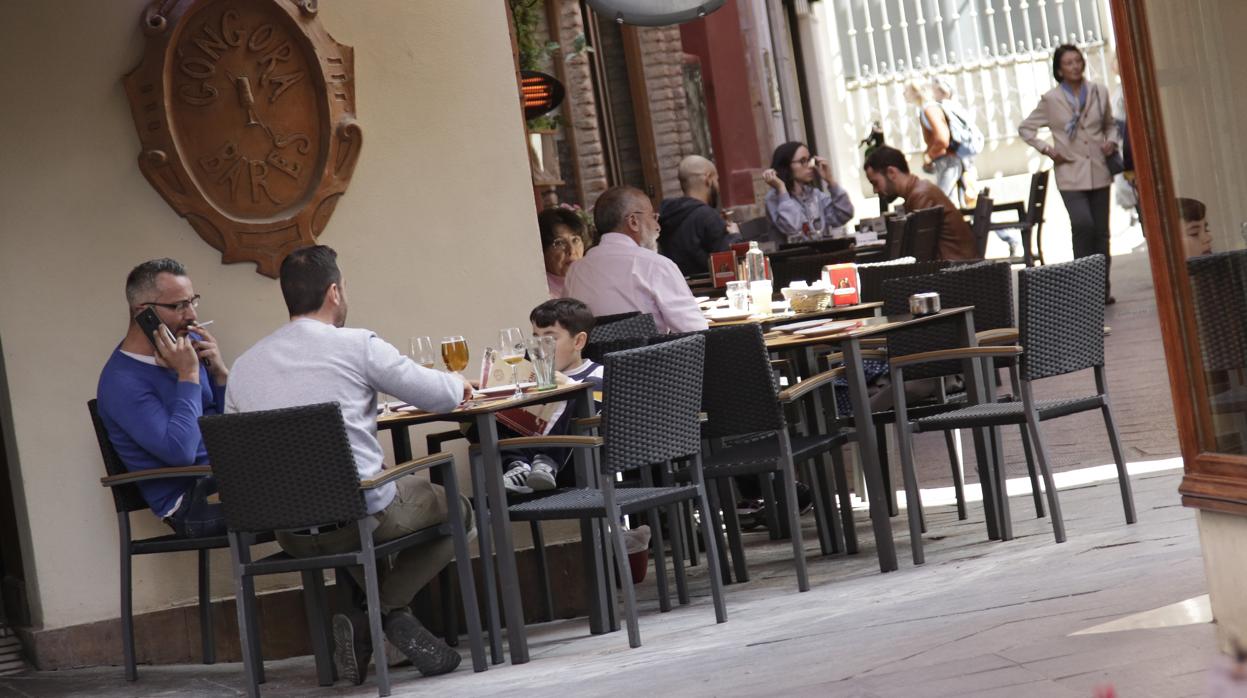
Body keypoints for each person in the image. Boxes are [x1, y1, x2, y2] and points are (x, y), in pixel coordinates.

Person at [224, 245, 473, 684]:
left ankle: (370, 623)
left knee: (359, 518)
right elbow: (437, 396)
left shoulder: (244, 367)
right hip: (358, 517)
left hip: (289, 529)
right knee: (459, 506)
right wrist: (458, 381)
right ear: (334, 291)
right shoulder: (357, 345)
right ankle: (380, 614)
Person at [96, 258, 230, 539]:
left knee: (327, 478)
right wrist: (189, 375)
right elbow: (179, 452)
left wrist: (218, 373)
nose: (191, 314)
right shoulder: (122, 381)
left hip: (229, 476)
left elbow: (231, 425)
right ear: (144, 313)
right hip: (191, 503)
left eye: (193, 301)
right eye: (179, 306)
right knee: (309, 498)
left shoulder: (183, 352)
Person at [1019, 43, 1120, 303]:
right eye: (1068, 63)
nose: (1075, 66)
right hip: (1070, 172)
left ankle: (1102, 289)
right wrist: (1049, 150)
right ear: (1059, 69)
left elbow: (1110, 125)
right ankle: (1084, 288)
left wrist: (1111, 141)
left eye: (1078, 61)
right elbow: (1026, 129)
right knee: (1083, 225)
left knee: (1101, 232)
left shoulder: (1098, 91)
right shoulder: (1051, 100)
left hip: (1098, 169)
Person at [487, 298, 605, 493]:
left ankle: (546, 462)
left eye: (550, 338)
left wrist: (567, 384)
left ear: (578, 341)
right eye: (536, 337)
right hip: (528, 459)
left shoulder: (597, 374)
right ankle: (518, 467)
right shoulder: (530, 378)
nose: (540, 346)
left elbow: (596, 402)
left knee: (581, 393)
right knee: (476, 414)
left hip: (579, 460)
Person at [564, 185, 709, 333]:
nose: (658, 226)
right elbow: (696, 331)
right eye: (653, 217)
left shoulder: (575, 271)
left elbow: (568, 329)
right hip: (654, 355)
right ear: (633, 222)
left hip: (595, 356)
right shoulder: (655, 265)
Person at [862, 146, 978, 261]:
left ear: (891, 172)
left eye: (875, 183)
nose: (875, 190)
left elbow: (920, 252)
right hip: (956, 267)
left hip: (956, 270)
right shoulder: (918, 192)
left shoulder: (921, 195)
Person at [658, 155, 740, 276]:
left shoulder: (666, 215)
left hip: (678, 288)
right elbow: (725, 266)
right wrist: (734, 236)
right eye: (717, 180)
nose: (718, 187)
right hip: (709, 291)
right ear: (708, 178)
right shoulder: (707, 216)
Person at [762, 141, 855, 243]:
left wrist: (830, 180)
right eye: (803, 161)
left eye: (809, 160)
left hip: (820, 254)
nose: (810, 166)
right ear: (786, 166)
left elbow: (844, 214)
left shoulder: (814, 194)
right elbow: (793, 228)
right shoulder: (774, 198)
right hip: (793, 257)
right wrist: (781, 189)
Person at [905, 81, 963, 202]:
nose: (903, 94)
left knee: (940, 202)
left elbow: (942, 139)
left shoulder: (929, 109)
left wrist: (929, 156)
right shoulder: (927, 108)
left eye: (906, 90)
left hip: (948, 160)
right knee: (948, 202)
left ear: (916, 92)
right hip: (947, 160)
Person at [539, 207, 587, 298]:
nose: (571, 250)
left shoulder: (594, 280)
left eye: (575, 240)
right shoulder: (540, 291)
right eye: (559, 243)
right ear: (543, 250)